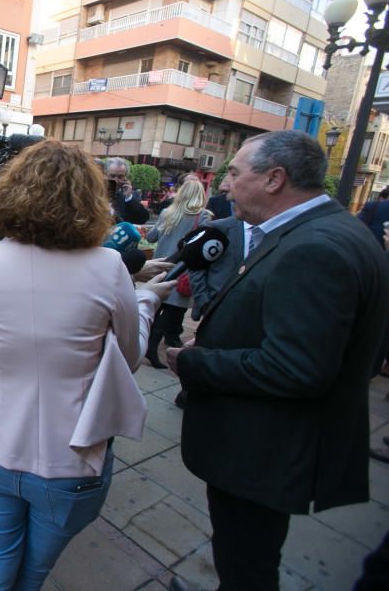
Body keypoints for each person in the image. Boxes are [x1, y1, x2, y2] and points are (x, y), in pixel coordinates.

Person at [0, 140, 173, 590]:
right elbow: (130, 358)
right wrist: (147, 301)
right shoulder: (108, 267)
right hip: (73, 457)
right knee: (33, 573)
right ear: (89, 199)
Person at [166, 130, 389, 591]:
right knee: (243, 552)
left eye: (234, 173)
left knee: (248, 561)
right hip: (270, 445)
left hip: (264, 450)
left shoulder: (315, 248)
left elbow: (295, 368)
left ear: (274, 179)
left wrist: (192, 362)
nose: (225, 185)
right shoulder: (326, 230)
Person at [144, 179, 212, 370]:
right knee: (171, 314)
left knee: (154, 310)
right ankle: (152, 348)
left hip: (159, 268)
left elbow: (151, 238)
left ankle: (143, 344)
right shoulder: (203, 216)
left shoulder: (167, 213)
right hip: (182, 271)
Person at [106, 157, 150, 224]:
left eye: (120, 177)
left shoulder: (130, 196)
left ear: (125, 178)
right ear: (105, 175)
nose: (116, 180)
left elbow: (143, 218)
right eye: (112, 176)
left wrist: (128, 198)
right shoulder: (95, 193)